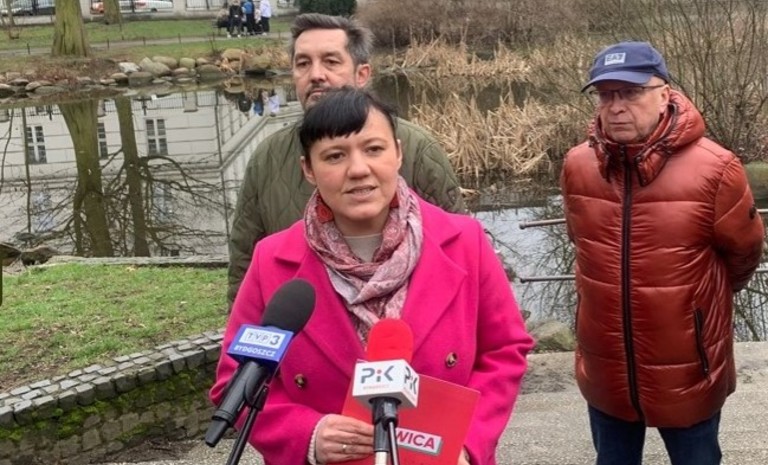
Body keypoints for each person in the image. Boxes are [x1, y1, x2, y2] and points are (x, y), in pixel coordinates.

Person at [210, 87, 534, 465]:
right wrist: (307, 435)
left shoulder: (465, 241)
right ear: (308, 169)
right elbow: (235, 379)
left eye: (374, 149)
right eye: (335, 156)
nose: (358, 169)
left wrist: (467, 443)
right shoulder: (272, 261)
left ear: (398, 153)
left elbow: (504, 351)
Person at [560, 41, 764, 465]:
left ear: (665, 93)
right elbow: (580, 243)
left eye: (631, 92)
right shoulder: (578, 166)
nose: (616, 107)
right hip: (605, 363)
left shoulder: (716, 168)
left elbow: (743, 255)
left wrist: (697, 310)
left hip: (688, 364)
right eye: (606, 95)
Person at [227, 13, 465, 306]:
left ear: (362, 74)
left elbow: (456, 249)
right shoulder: (267, 158)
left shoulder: (419, 148)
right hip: (306, 326)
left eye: (331, 61)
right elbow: (244, 263)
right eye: (303, 63)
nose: (316, 74)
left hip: (411, 325)